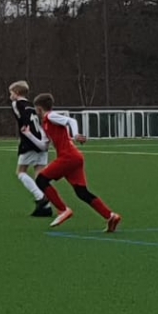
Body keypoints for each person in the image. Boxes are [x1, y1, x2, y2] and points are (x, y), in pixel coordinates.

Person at [31, 93, 122, 231]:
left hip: (68, 157)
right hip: (73, 158)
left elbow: (71, 121)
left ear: (38, 108)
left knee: (41, 180)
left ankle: (63, 210)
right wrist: (28, 135)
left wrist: (75, 135)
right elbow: (44, 145)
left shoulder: (50, 116)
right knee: (81, 192)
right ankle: (110, 216)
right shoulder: (45, 123)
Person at [8, 81, 52, 217]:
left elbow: (21, 118)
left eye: (11, 93)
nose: (10, 96)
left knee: (20, 172)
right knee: (39, 175)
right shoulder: (32, 106)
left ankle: (41, 197)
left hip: (29, 142)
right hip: (41, 140)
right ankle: (46, 207)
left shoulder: (17, 104)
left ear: (16, 93)